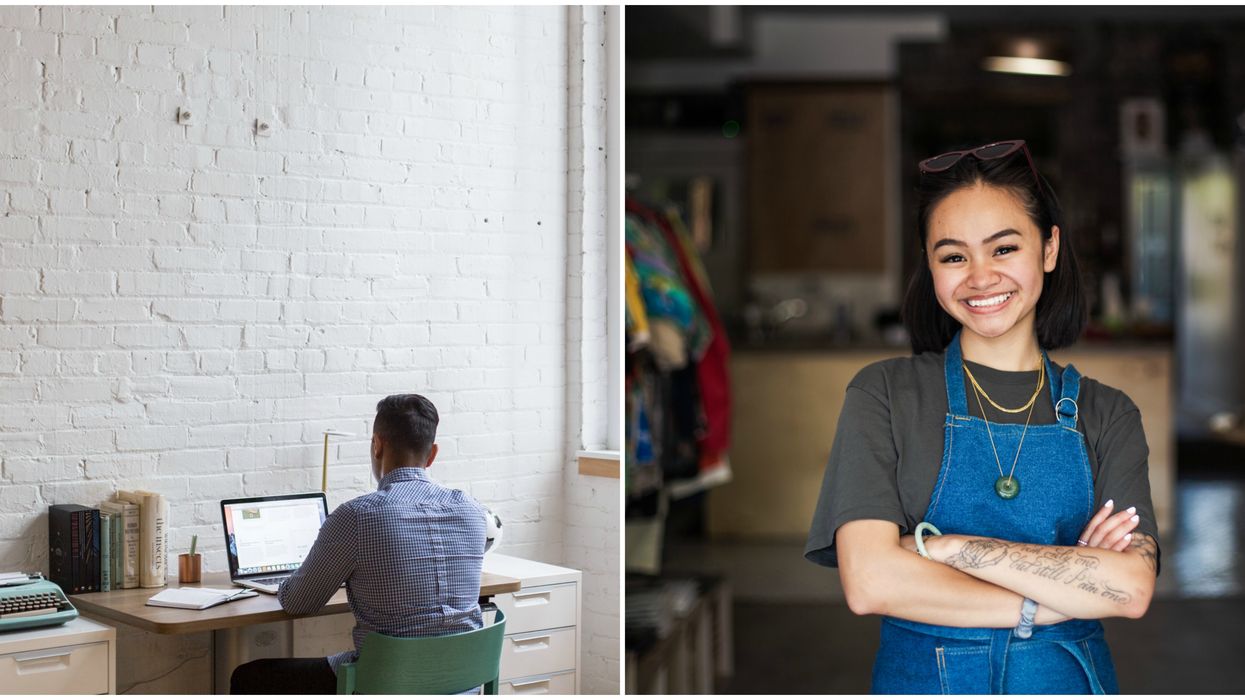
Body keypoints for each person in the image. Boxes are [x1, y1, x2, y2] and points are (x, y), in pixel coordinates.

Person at [804, 140, 1160, 694]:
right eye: (953, 256)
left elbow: (1130, 589)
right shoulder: (885, 394)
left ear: (1048, 248)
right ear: (930, 265)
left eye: (1003, 249)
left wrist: (943, 548)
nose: (979, 277)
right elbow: (870, 582)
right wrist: (1055, 593)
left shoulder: (1108, 413)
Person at [230, 393, 487, 694]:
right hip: (463, 684)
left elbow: (299, 602)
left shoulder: (358, 516)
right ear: (432, 455)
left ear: (377, 445)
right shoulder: (472, 510)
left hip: (386, 684)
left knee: (249, 677)